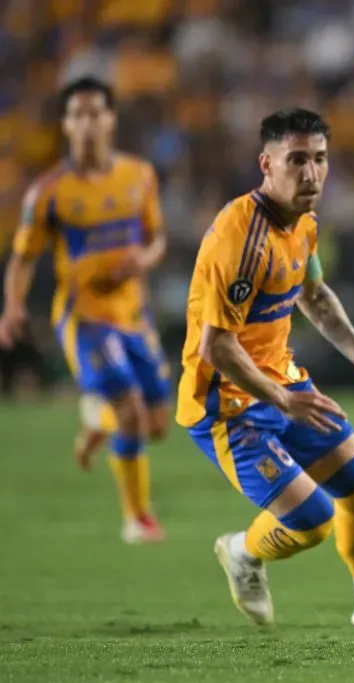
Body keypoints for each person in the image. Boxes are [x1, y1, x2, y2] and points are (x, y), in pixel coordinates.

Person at [176, 108, 354, 628]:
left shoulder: (305, 225)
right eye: (296, 160)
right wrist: (283, 401)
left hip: (283, 383)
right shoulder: (239, 240)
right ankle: (241, 552)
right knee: (310, 520)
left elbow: (314, 296)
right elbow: (216, 347)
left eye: (319, 159)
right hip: (227, 403)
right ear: (266, 164)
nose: (311, 173)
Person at [0, 77, 171, 544]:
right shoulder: (49, 192)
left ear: (111, 119)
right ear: (65, 124)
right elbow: (24, 257)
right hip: (85, 316)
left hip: (133, 314)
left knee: (157, 424)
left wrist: (144, 260)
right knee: (131, 411)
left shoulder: (139, 176)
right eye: (78, 114)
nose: (88, 122)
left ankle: (98, 420)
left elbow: (156, 238)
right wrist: (12, 306)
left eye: (96, 112)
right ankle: (137, 517)